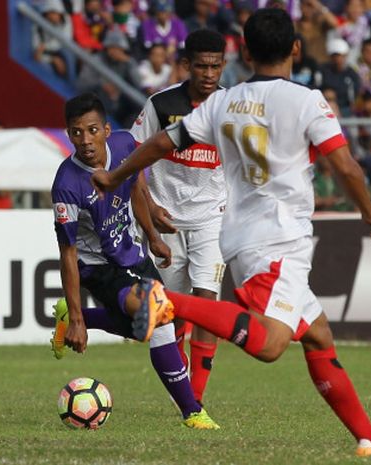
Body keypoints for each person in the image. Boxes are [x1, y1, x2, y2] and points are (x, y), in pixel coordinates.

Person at [91, 8, 371, 456]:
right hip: (279, 240)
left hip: (238, 235)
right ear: (296, 49)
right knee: (269, 345)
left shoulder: (223, 102)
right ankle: (165, 301)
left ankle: (370, 438)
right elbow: (343, 164)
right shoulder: (306, 100)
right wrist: (370, 211)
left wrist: (114, 177)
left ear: (244, 52)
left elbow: (161, 143)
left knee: (319, 336)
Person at [50, 93, 219, 429]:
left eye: (93, 130)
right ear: (69, 135)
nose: (86, 140)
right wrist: (81, 323)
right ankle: (192, 412)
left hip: (131, 252)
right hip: (96, 266)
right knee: (159, 317)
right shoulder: (67, 185)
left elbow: (137, 186)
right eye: (77, 132)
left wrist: (153, 235)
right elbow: (67, 254)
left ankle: (71, 317)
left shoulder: (127, 145)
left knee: (140, 325)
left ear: (107, 131)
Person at [130, 28, 226, 406]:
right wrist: (150, 208)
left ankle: (196, 400)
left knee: (207, 301)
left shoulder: (230, 106)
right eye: (201, 66)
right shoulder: (160, 104)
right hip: (166, 218)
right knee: (170, 308)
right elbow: (134, 156)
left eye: (215, 66)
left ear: (224, 65)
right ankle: (183, 388)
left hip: (211, 218)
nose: (208, 74)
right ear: (187, 65)